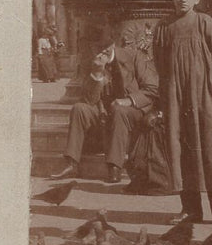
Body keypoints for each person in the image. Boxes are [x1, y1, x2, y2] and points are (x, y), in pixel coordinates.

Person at [153, 0, 212, 226]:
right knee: (182, 151)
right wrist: (169, 90)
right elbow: (159, 61)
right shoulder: (163, 26)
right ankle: (191, 210)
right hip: (176, 97)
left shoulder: (204, 22)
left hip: (204, 95)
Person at [56, 23, 159, 183]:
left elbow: (152, 89)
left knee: (119, 111)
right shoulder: (95, 62)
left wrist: (128, 100)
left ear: (110, 46)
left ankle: (114, 167)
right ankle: (72, 163)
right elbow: (89, 100)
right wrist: (97, 74)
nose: (96, 52)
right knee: (79, 109)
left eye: (100, 47)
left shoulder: (134, 57)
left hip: (132, 111)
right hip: (106, 111)